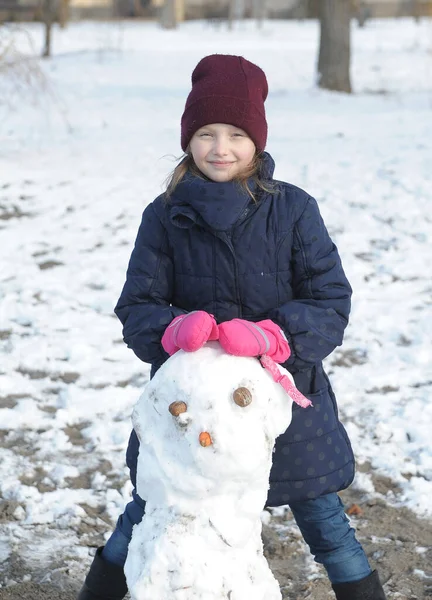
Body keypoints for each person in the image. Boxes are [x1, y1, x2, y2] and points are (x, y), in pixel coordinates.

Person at [77, 54, 386, 600]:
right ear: (188, 139)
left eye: (237, 134)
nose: (221, 147)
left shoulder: (293, 210)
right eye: (206, 133)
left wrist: (274, 336)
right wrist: (173, 332)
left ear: (258, 141)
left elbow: (330, 299)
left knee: (324, 522)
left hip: (286, 407)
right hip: (192, 412)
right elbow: (138, 303)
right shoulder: (165, 214)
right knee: (150, 510)